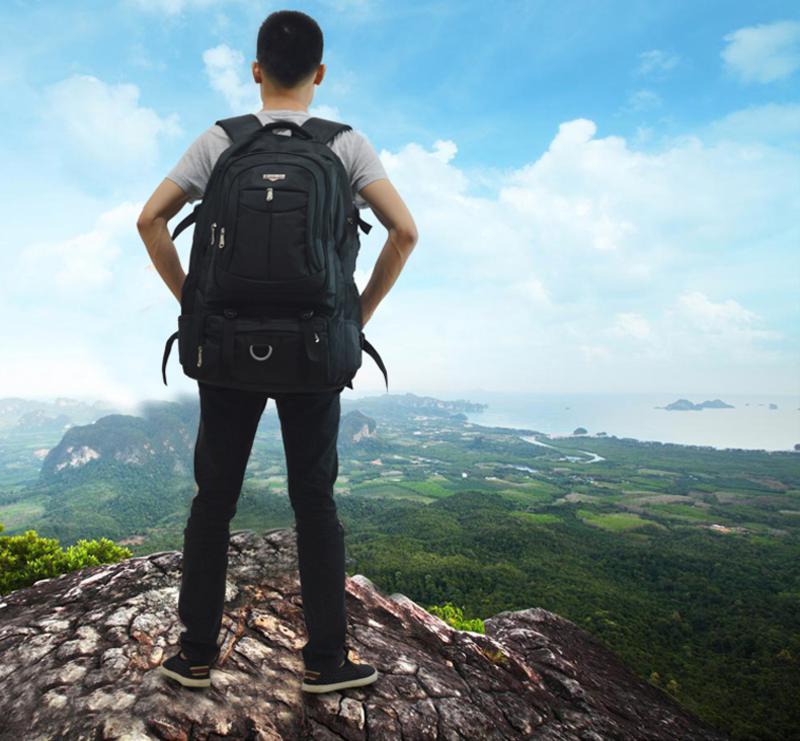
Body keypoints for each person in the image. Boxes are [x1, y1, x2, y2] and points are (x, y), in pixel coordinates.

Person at [136, 9, 418, 693]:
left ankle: (195, 654)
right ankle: (325, 660)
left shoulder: (220, 140)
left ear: (256, 70)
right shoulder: (345, 144)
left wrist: (192, 300)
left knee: (215, 499)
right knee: (314, 501)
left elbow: (148, 221)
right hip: (316, 352)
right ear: (319, 75)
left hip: (227, 346)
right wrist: (357, 313)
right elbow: (404, 232)